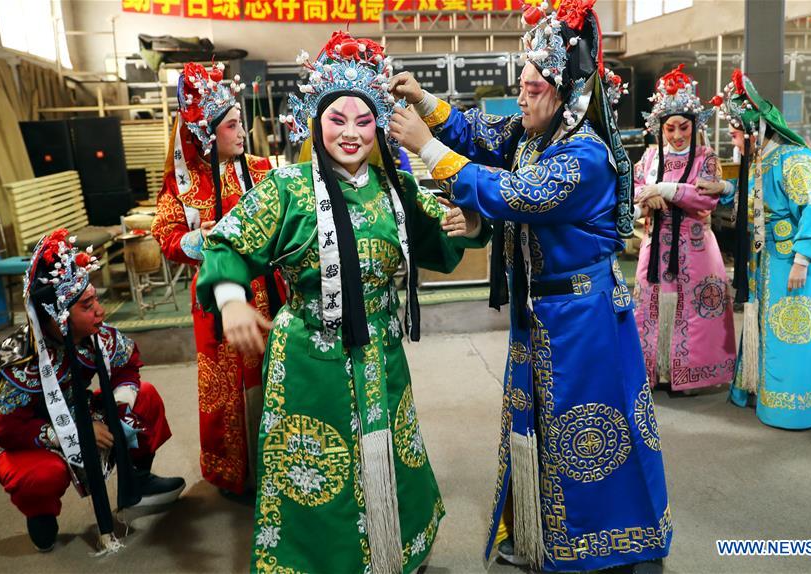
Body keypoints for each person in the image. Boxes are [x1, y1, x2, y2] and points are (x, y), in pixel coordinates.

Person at [389, 1, 671, 572]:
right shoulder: (533, 134)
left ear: (567, 93)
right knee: (537, 424)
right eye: (521, 84)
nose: (521, 97)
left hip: (582, 318)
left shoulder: (584, 157)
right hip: (541, 314)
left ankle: (603, 543)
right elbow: (481, 134)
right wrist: (425, 102)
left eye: (534, 87)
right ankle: (543, 533)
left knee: (586, 431)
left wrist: (425, 146)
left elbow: (514, 194)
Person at [195, 31, 486, 573]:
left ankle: (392, 550)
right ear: (315, 123)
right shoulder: (287, 188)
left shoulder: (395, 187)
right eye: (337, 120)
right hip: (308, 355)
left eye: (363, 121)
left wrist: (467, 223)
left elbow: (443, 237)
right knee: (317, 469)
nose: (351, 133)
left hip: (381, 350)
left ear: (379, 128)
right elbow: (227, 241)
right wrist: (232, 298)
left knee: (391, 451)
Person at [0, 229, 184, 553]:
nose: (100, 311)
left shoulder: (92, 334)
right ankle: (40, 512)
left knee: (147, 398)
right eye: (88, 305)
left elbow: (128, 364)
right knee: (44, 476)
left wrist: (116, 410)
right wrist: (77, 430)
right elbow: (5, 429)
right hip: (26, 436)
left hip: (77, 409)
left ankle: (138, 477)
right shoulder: (17, 363)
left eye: (96, 299)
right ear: (57, 319)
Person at [151, 62, 284, 495]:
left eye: (242, 123)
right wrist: (196, 238)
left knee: (274, 373)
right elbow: (166, 236)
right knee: (225, 386)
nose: (242, 133)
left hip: (270, 293)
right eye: (233, 125)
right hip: (214, 303)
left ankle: (279, 465)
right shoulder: (184, 185)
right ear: (208, 134)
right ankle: (233, 474)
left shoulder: (262, 170)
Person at [710, 70, 811, 430]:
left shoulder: (792, 161)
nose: (734, 142)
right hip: (765, 259)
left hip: (790, 261)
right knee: (767, 327)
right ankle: (760, 388)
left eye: (737, 134)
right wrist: (721, 186)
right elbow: (750, 199)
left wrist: (802, 260)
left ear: (756, 131)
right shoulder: (760, 161)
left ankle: (795, 404)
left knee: (792, 331)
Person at [632, 64, 736, 392]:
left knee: (694, 309)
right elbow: (631, 189)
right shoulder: (649, 158)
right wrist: (645, 196)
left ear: (695, 127)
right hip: (655, 246)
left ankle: (692, 375)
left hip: (696, 251)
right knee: (649, 308)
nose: (677, 135)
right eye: (671, 129)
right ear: (660, 129)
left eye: (684, 128)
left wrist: (665, 190)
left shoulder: (707, 158)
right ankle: (658, 372)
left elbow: (704, 199)